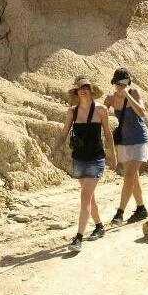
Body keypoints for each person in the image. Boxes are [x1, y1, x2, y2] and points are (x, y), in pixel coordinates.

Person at [52, 76, 117, 252]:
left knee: (84, 197)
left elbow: (108, 134)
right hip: (79, 159)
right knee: (89, 197)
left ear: (91, 90)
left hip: (96, 159)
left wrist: (113, 154)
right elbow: (64, 132)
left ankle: (78, 238)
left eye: (86, 87)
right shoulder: (72, 112)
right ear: (76, 92)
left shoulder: (101, 110)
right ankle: (99, 226)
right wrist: (55, 148)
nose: (83, 90)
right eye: (80, 88)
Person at [105, 68, 148, 226]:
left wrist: (128, 95)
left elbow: (142, 113)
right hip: (123, 141)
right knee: (133, 177)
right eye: (118, 84)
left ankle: (120, 213)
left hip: (139, 139)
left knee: (130, 175)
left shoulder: (134, 92)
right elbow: (102, 116)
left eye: (124, 83)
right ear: (114, 83)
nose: (121, 86)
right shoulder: (110, 98)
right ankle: (141, 209)